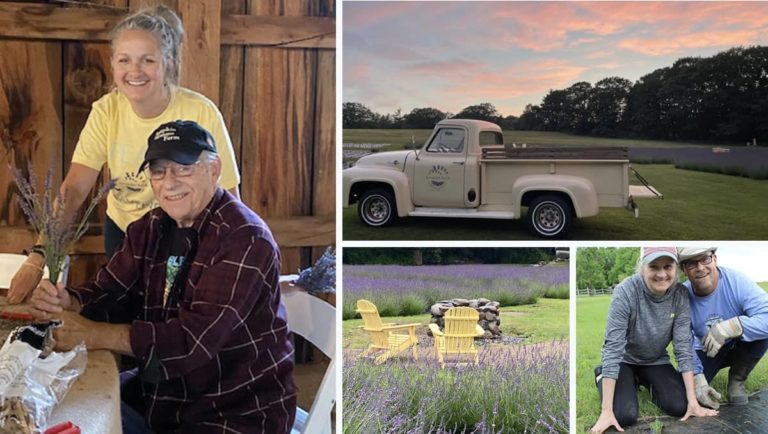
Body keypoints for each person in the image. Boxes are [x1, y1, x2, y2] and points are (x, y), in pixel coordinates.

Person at [29, 120, 294, 433]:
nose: (169, 183)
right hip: (164, 397)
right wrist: (71, 301)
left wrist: (95, 333)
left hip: (232, 411)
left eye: (183, 168)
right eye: (158, 170)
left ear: (214, 169)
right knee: (55, 413)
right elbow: (111, 290)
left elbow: (190, 341)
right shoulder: (151, 226)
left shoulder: (245, 238)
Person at [8, 5, 241, 304]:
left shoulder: (200, 112)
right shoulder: (106, 111)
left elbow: (230, 198)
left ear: (167, 63)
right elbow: (75, 189)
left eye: (147, 60)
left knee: (174, 325)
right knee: (125, 316)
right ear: (113, 65)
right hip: (126, 236)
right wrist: (38, 256)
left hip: (186, 236)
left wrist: (231, 259)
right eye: (124, 60)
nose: (135, 71)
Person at [589, 247, 718, 434]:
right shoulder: (625, 291)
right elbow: (613, 348)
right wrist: (606, 410)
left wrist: (693, 402)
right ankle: (602, 375)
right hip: (624, 360)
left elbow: (683, 347)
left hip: (656, 360)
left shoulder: (680, 294)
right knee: (624, 415)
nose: (662, 274)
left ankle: (645, 380)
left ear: (676, 268)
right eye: (654, 267)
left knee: (679, 406)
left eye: (668, 267)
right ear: (642, 268)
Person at [678, 247, 768, 408]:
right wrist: (697, 374)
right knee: (683, 395)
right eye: (691, 263)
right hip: (708, 348)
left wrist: (732, 326)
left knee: (762, 334)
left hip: (741, 345)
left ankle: (737, 379)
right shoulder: (682, 297)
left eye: (705, 259)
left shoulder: (737, 281)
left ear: (715, 259)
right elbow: (683, 340)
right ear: (684, 270)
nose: (700, 268)